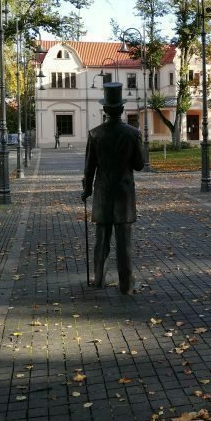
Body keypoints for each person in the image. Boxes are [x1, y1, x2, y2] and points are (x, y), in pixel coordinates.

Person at [82, 82, 144, 293]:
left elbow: (89, 168)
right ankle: (126, 286)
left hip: (102, 193)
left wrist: (87, 190)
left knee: (101, 241)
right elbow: (139, 165)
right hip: (124, 195)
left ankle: (98, 279)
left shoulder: (95, 134)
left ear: (105, 110)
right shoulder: (132, 133)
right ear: (122, 109)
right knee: (124, 243)